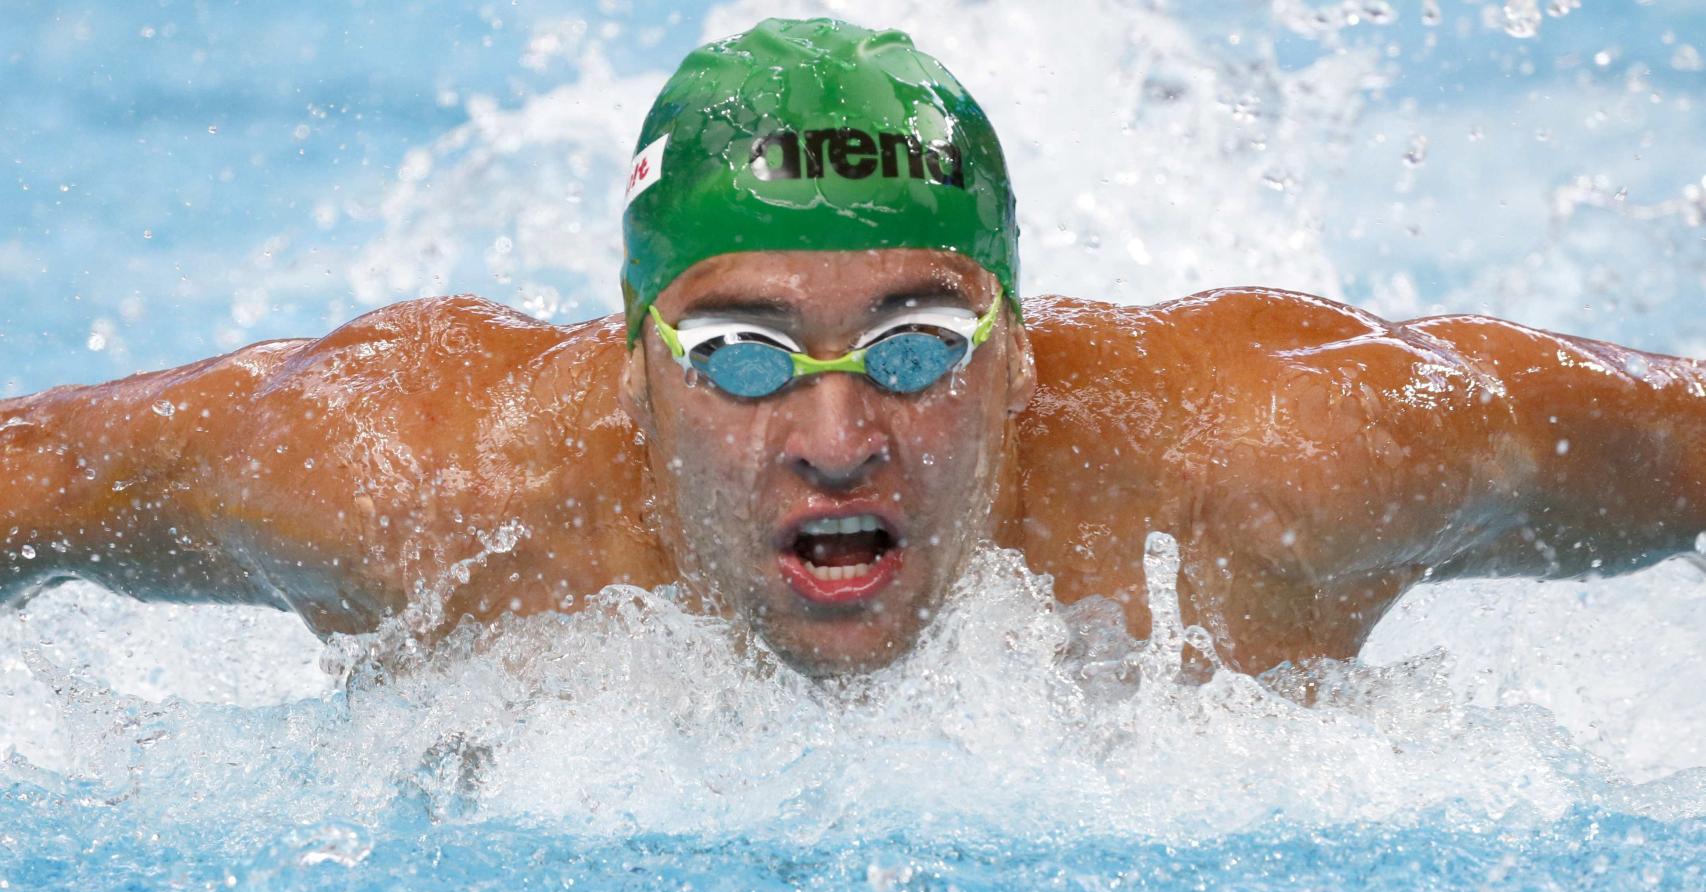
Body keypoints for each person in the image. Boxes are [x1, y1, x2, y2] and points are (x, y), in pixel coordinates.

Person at [1, 18, 1702, 677]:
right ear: (627, 367)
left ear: (1019, 359)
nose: (832, 438)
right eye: (741, 355)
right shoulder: (416, 480)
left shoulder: (1278, 463)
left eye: (916, 346)